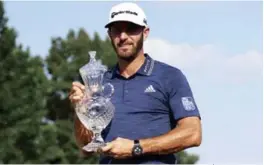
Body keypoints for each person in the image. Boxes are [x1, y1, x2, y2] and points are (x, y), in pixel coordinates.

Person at [69, 2, 202, 164]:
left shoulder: (169, 76)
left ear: (145, 33)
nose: (123, 36)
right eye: (116, 30)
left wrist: (135, 147)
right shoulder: (100, 82)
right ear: (109, 34)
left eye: (131, 29)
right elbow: (85, 147)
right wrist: (79, 109)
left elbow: (193, 134)